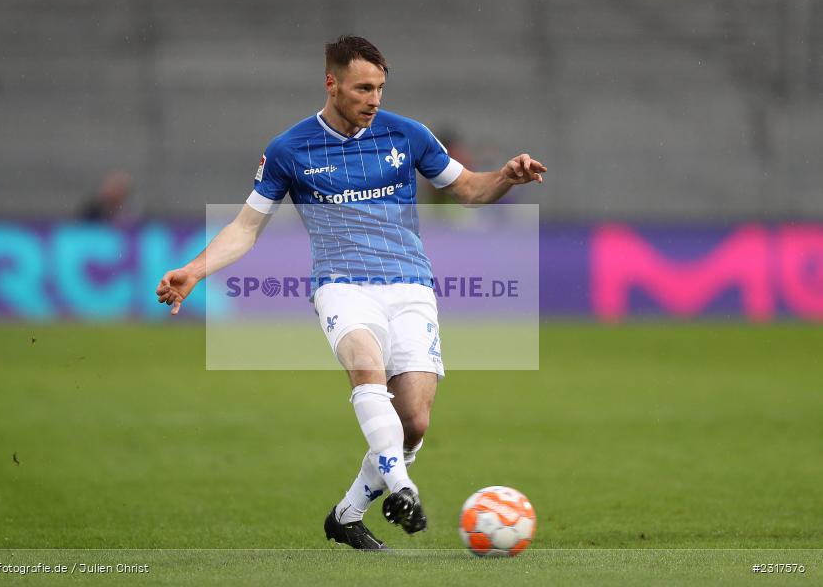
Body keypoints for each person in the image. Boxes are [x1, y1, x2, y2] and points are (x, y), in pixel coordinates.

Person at [155, 35, 546, 551]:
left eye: (381, 88)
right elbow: (247, 227)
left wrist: (506, 177)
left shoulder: (407, 135)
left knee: (414, 421)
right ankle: (404, 489)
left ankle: (346, 514)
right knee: (367, 368)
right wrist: (195, 270)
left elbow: (469, 189)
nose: (374, 98)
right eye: (363, 87)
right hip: (341, 284)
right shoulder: (289, 150)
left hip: (410, 284)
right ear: (331, 83)